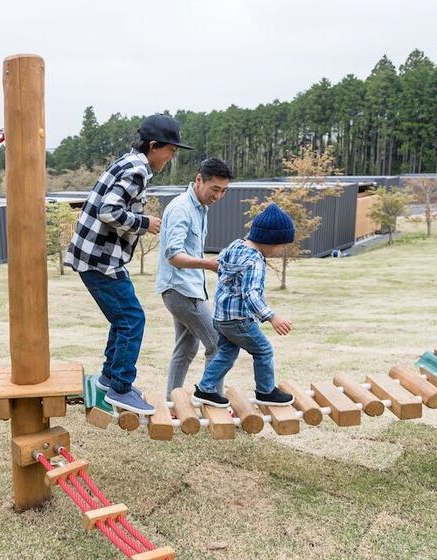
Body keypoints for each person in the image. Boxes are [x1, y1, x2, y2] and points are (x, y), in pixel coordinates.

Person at [65, 114, 193, 415]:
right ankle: (120, 389)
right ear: (154, 145)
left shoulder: (128, 162)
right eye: (171, 150)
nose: (171, 157)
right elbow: (109, 211)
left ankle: (110, 378)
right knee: (132, 319)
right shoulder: (137, 169)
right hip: (99, 260)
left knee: (123, 319)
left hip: (98, 257)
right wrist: (144, 222)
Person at [192, 203, 297, 408]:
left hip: (221, 317)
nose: (281, 250)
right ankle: (266, 392)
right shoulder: (255, 261)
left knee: (227, 353)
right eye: (281, 245)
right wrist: (272, 317)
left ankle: (205, 389)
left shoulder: (235, 246)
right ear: (271, 240)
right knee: (263, 350)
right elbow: (251, 295)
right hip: (238, 320)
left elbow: (221, 265)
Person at [156, 158, 232, 400]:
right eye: (215, 189)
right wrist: (208, 264)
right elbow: (174, 255)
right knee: (218, 344)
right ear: (199, 180)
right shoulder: (182, 208)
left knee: (186, 348)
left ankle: (172, 402)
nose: (218, 196)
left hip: (187, 289)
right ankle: (211, 396)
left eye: (224, 191)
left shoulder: (200, 208)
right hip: (181, 290)